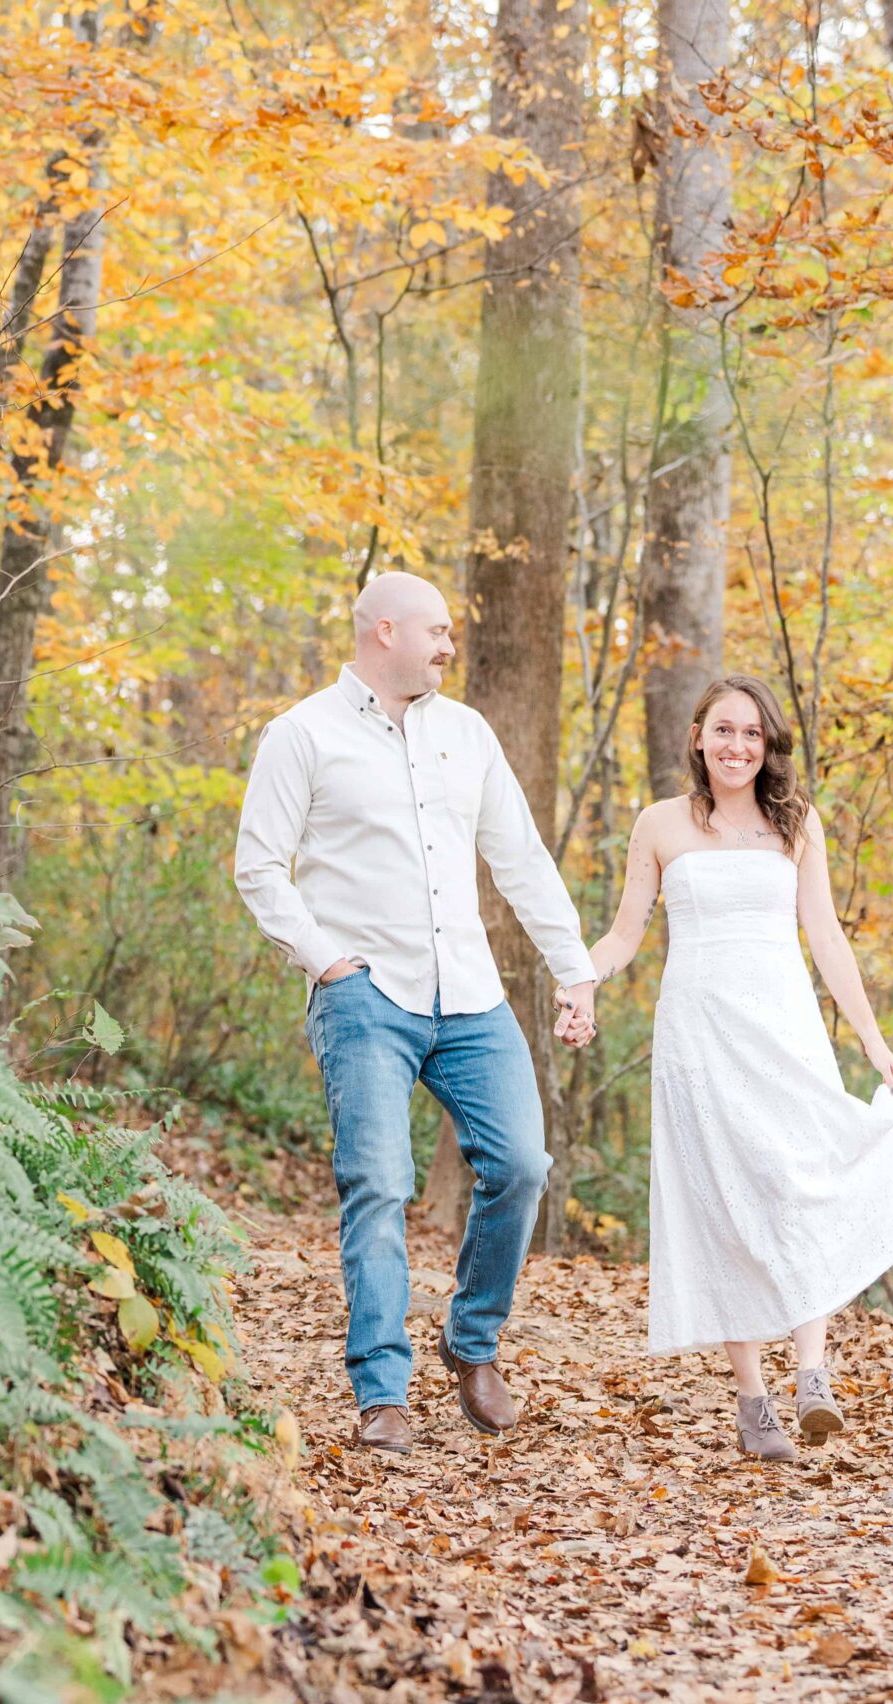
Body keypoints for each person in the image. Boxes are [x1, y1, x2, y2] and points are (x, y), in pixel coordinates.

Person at [233, 572, 599, 1456]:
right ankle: (382, 1391)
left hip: (469, 993)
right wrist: (325, 960)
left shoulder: (466, 734)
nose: (448, 645)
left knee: (521, 1161)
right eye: (435, 631)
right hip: (365, 994)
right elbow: (256, 867)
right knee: (381, 1184)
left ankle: (471, 1343)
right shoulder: (302, 735)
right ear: (383, 631)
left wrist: (573, 967)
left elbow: (521, 858)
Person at [571, 675, 893, 1461]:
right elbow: (624, 935)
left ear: (767, 743)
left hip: (784, 1026)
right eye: (723, 730)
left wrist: (872, 1037)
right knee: (722, 1198)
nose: (737, 745)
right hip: (700, 1033)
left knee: (797, 1180)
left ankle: (813, 1375)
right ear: (698, 737)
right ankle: (753, 1399)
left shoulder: (796, 823)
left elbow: (827, 936)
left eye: (752, 733)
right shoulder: (660, 825)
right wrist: (582, 979)